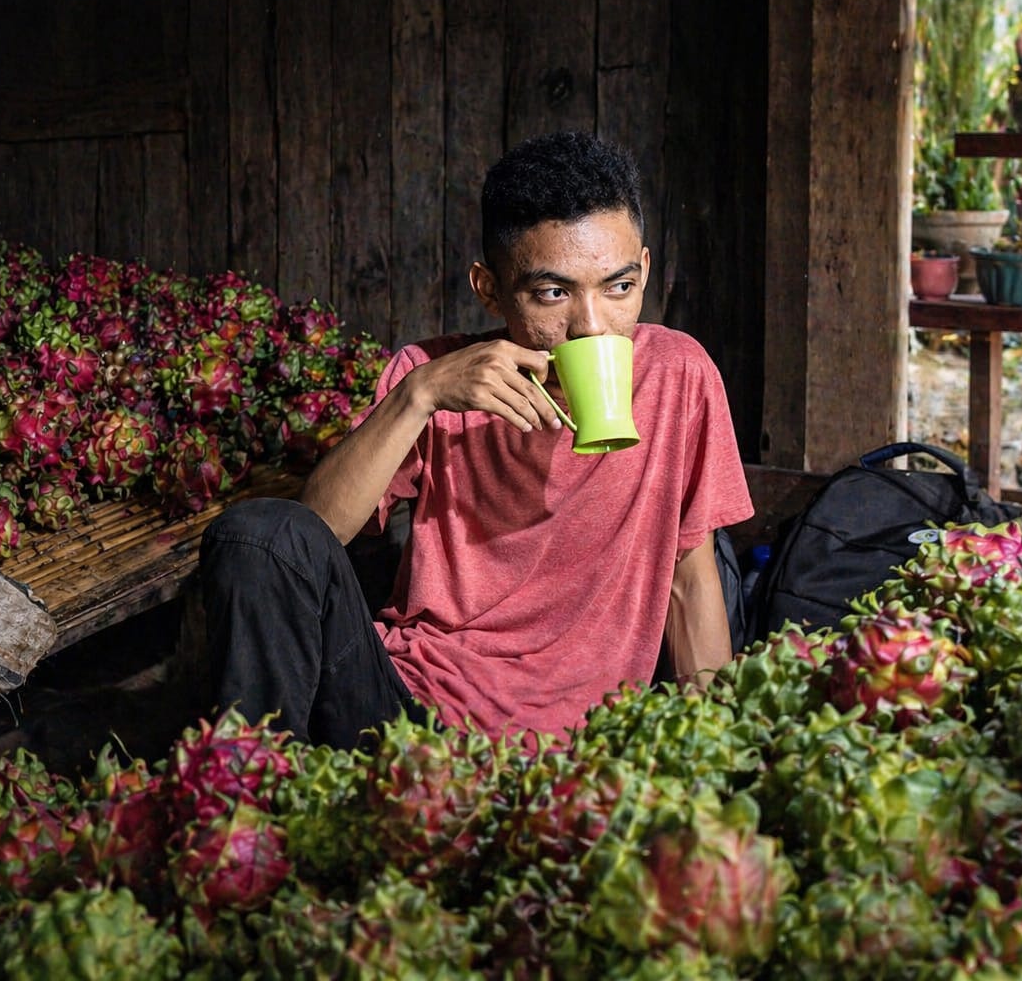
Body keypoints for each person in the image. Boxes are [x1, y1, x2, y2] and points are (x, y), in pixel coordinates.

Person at [199, 131, 754, 747]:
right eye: (553, 293)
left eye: (618, 287)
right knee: (253, 533)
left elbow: (690, 577)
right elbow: (309, 537)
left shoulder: (680, 375)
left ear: (645, 271)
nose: (592, 327)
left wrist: (716, 750)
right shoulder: (434, 379)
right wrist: (420, 396)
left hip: (577, 744)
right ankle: (246, 800)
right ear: (489, 288)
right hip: (410, 714)